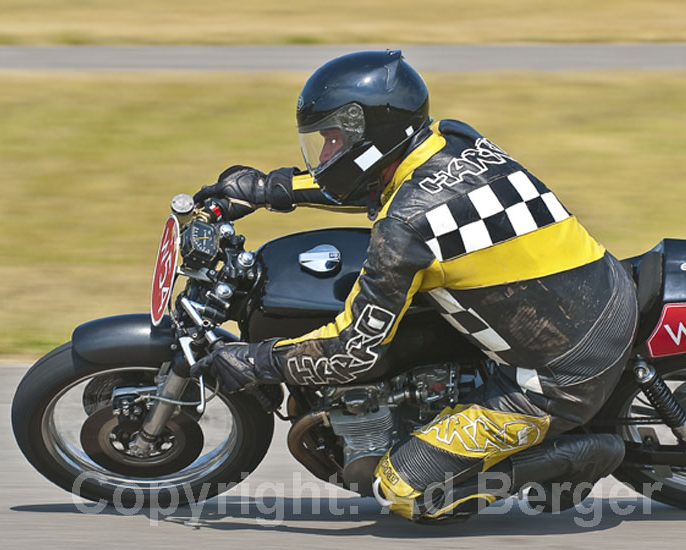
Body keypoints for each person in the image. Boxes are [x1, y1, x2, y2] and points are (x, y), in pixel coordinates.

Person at [191, 50, 637, 522]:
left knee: (401, 491)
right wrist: (269, 189)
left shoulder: (405, 229)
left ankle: (576, 456)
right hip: (600, 287)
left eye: (332, 140)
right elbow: (373, 182)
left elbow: (351, 352)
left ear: (371, 138)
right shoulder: (453, 138)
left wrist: (257, 360)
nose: (323, 155)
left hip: (560, 378)